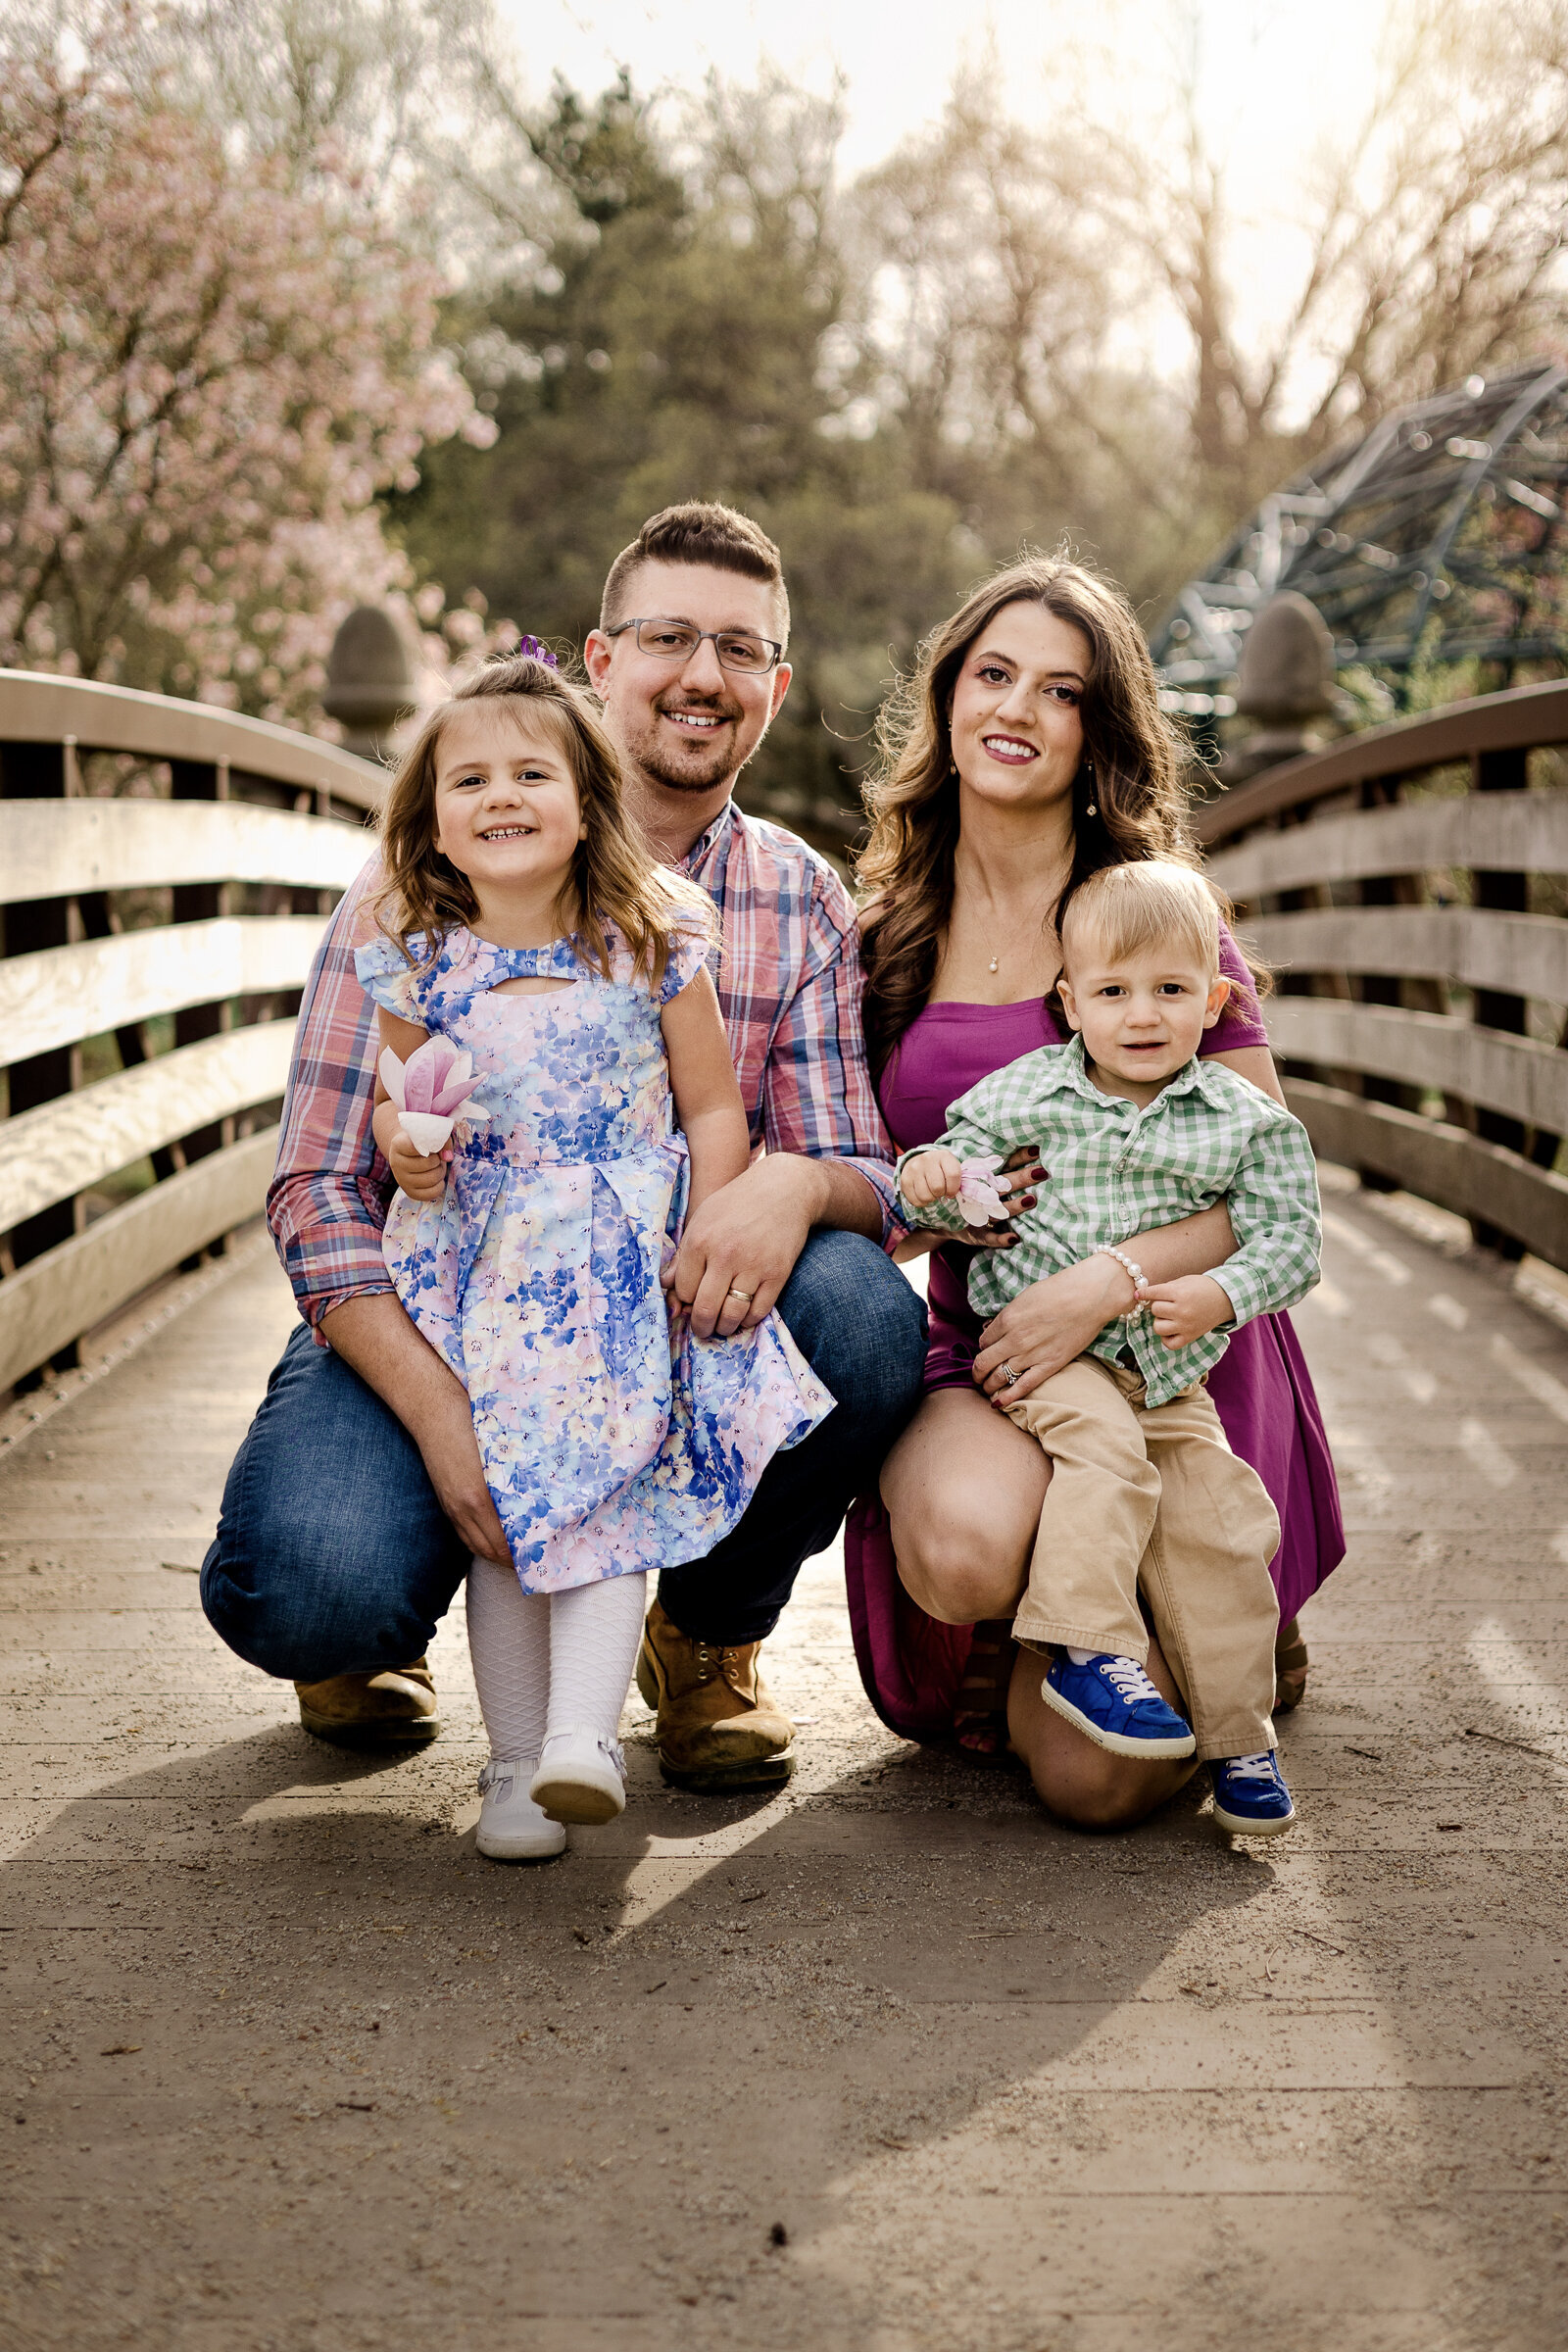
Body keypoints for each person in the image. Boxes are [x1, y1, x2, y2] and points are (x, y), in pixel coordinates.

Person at [202, 504, 926, 1790]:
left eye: (739, 650)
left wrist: (785, 1187)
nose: (703, 676)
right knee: (309, 1583)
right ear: (600, 663)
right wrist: (438, 1416)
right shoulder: (411, 892)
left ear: (776, 685)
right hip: (449, 1302)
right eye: (668, 639)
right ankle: (380, 1612)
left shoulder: (789, 896)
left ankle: (702, 1641)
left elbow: (867, 1175)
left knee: (863, 1312)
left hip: (665, 1297)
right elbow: (318, 1186)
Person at [845, 553, 1344, 1831]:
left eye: (1060, 691)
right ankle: (1042, 1628)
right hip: (993, 1349)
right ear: (950, 697)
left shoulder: (1156, 927)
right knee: (965, 1547)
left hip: (1175, 1354)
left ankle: (1169, 1641)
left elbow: (1267, 1186)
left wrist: (1110, 1278)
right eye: (994, 674)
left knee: (1096, 1786)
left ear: (1098, 729)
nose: (1018, 709)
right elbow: (865, 1175)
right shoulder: (883, 937)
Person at [354, 651, 833, 1857]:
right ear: (433, 822)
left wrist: (706, 1228)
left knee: (615, 1491)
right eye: (470, 779)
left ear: (585, 804)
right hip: (482, 1265)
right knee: (508, 1515)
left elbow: (713, 1108)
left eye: (532, 771)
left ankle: (580, 1738)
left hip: (617, 1266)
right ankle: (514, 1766)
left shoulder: (650, 941)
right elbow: (401, 1106)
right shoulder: (415, 958)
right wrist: (408, 1151)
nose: (501, 795)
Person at [896, 858, 1322, 1837]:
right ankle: (1083, 1648)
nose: (1141, 1015)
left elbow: (1291, 1236)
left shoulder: (1241, 1123)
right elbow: (945, 1158)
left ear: (1214, 1002)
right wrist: (930, 1175)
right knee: (1103, 1454)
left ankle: (1238, 1737)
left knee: (1218, 1526)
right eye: (1113, 992)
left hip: (1168, 1380)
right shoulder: (1026, 1094)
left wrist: (1222, 1290)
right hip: (1046, 1364)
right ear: (1069, 1003)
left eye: (1170, 991)